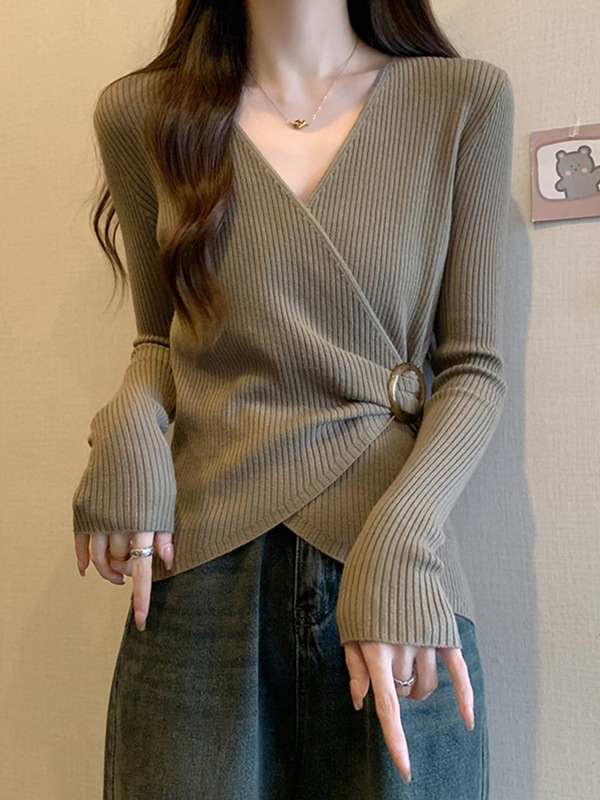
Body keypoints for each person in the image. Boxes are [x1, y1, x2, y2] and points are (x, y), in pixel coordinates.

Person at [72, 0, 514, 797]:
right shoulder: (143, 114)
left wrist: (404, 535)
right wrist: (129, 421)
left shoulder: (462, 99)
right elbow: (160, 338)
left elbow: (473, 368)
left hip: (392, 574)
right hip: (202, 575)